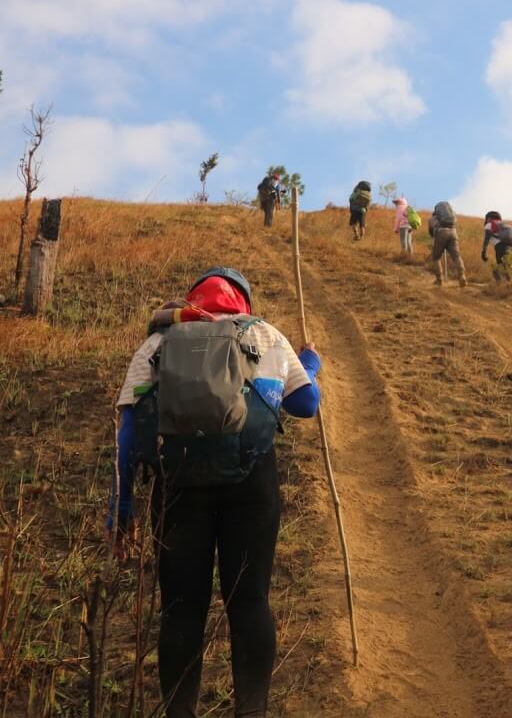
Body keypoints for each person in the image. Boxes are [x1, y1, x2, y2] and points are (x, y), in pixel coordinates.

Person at [107, 267, 322, 717]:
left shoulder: (159, 342)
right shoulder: (264, 335)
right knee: (250, 602)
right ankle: (251, 710)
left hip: (178, 486)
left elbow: (128, 430)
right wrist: (312, 363)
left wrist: (122, 505)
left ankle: (181, 711)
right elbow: (305, 405)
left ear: (192, 300)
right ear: (243, 300)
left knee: (182, 608)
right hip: (252, 485)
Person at [429, 200, 467, 287]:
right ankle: (462, 276)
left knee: (436, 258)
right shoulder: (451, 216)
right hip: (453, 232)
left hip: (441, 233)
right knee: (457, 256)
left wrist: (435, 236)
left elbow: (431, 232)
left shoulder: (433, 218)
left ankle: (439, 280)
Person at [481, 210, 512, 283]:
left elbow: (486, 239)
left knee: (500, 267)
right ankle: (507, 284)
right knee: (504, 266)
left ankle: (503, 285)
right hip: (509, 247)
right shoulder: (503, 224)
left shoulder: (489, 224)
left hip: (500, 247)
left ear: (489, 217)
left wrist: (483, 252)